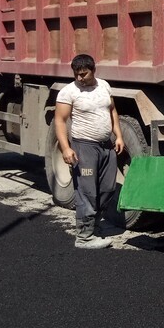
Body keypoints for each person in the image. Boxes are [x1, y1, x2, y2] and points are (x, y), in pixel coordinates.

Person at [54, 54, 125, 249]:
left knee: (108, 188)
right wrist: (66, 148)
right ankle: (84, 237)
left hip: (106, 145)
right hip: (84, 147)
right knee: (87, 192)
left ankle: (94, 226)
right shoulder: (68, 92)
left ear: (93, 70)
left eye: (83, 74)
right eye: (76, 74)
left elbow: (112, 111)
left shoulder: (104, 86)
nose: (80, 78)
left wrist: (118, 135)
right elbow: (60, 120)